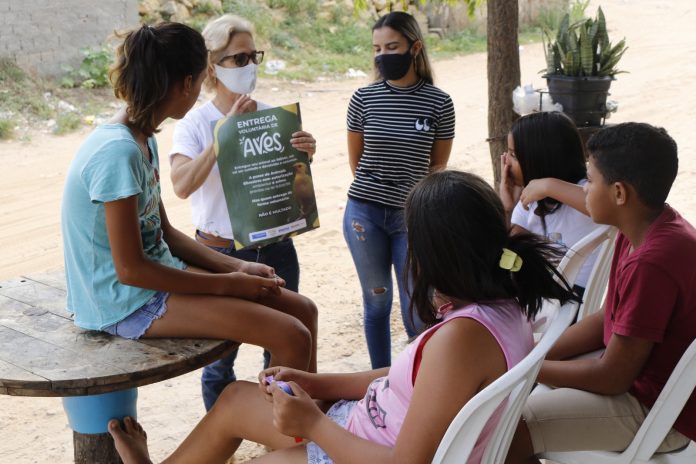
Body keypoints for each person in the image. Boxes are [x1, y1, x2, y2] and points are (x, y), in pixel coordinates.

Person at [107, 170, 577, 464]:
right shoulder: (503, 302)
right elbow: (415, 377)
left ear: (436, 256)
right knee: (232, 399)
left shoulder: (464, 338)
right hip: (364, 426)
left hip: (366, 450)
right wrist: (323, 386)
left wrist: (313, 425)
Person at [60, 23, 317, 389]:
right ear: (185, 83)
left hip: (151, 280)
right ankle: (291, 432)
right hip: (124, 303)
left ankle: (300, 423)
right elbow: (131, 269)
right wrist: (229, 285)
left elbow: (165, 233)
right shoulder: (117, 151)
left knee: (303, 310)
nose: (198, 92)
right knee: (292, 335)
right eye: (198, 83)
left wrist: (238, 266)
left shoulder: (141, 139)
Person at [506, 123, 696, 463]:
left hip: (660, 411)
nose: (585, 191)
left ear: (620, 194)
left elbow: (612, 377)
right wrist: (532, 352)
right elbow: (605, 319)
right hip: (646, 386)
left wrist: (525, 367)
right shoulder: (645, 225)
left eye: (590, 181)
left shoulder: (652, 262)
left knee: (505, 428)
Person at [168, 14, 318, 411]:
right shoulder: (195, 123)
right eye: (239, 58)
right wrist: (225, 135)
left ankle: (279, 432)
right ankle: (224, 440)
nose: (249, 66)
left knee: (284, 348)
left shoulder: (273, 115)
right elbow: (181, 185)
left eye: (254, 56)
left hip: (275, 250)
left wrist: (303, 157)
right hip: (220, 256)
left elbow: (288, 188)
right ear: (213, 66)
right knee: (219, 361)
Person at [344, 11, 456, 369]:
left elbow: (436, 170)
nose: (383, 55)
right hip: (365, 214)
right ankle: (380, 379)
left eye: (392, 46)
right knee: (376, 302)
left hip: (413, 217)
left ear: (415, 47)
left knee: (416, 302)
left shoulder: (439, 103)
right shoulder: (363, 99)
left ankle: (420, 378)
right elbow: (356, 162)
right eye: (377, 48)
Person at [500, 111, 603, 293]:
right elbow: (511, 256)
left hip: (573, 301)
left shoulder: (584, 189)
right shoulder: (529, 200)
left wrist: (549, 185)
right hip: (544, 296)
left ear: (539, 158)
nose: (506, 161)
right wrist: (508, 208)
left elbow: (603, 205)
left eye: (513, 155)